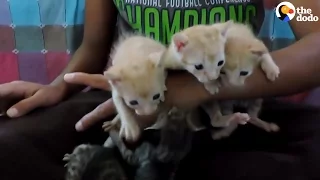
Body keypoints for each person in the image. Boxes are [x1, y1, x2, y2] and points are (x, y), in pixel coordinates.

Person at [0, 0, 320, 179]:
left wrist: (195, 88)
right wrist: (57, 89)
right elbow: (94, 47)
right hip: (133, 104)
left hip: (227, 104)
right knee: (9, 145)